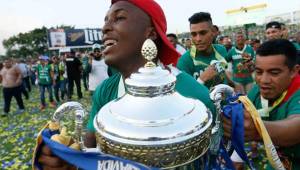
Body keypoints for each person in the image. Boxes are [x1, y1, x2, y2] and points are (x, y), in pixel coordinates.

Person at [37, 0, 217, 169]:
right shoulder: (105, 90)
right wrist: (69, 157)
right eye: (106, 20)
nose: (105, 28)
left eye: (119, 18)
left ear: (151, 33)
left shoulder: (195, 96)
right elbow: (91, 145)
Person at [223, 39, 300, 170]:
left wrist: (258, 130)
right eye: (258, 72)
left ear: (294, 71)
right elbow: (242, 119)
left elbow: (296, 126)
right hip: (277, 162)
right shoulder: (257, 91)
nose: (263, 80)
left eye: (274, 73)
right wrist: (236, 158)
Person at [176, 12, 228, 89]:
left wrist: (234, 84)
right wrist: (201, 79)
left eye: (203, 33)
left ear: (213, 32)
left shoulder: (221, 50)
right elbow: (186, 95)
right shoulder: (184, 61)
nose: (198, 39)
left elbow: (225, 73)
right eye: (194, 34)